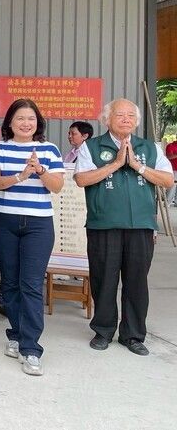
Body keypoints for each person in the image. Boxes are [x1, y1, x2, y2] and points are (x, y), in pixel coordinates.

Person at [73, 98, 172, 356]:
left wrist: (137, 165)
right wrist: (116, 164)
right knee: (104, 279)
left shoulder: (149, 148)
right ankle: (103, 331)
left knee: (136, 282)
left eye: (130, 115)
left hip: (141, 225)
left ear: (136, 121)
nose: (126, 119)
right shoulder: (91, 147)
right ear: (107, 119)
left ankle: (133, 335)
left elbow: (167, 179)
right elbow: (81, 179)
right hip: (104, 225)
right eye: (120, 114)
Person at [0, 99, 65, 376]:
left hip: (38, 225)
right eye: (20, 118)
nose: (25, 123)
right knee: (9, 283)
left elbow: (57, 186)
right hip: (4, 221)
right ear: (10, 122)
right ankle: (16, 334)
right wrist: (21, 175)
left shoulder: (49, 149)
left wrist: (40, 170)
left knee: (31, 284)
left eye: (31, 119)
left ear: (38, 123)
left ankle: (31, 348)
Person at [165, 137, 177, 205]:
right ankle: (167, 202)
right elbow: (169, 156)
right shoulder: (171, 146)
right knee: (172, 185)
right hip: (173, 169)